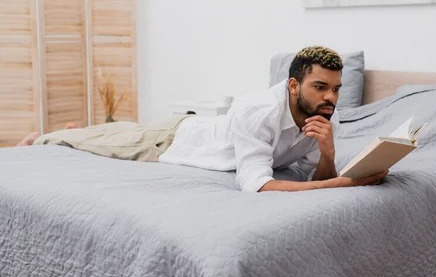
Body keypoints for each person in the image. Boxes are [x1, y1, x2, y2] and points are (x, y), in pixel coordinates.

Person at [19, 46, 388, 192]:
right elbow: (258, 186)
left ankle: (74, 133)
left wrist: (327, 154)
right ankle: (43, 139)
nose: (330, 98)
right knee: (116, 140)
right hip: (176, 139)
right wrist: (345, 183)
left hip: (189, 130)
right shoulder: (257, 110)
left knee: (117, 131)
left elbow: (314, 175)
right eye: (321, 87)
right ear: (293, 85)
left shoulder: (326, 117)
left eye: (336, 89)